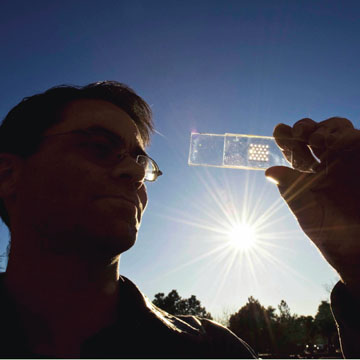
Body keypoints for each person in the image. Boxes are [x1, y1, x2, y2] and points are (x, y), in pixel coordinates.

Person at [0, 81, 358, 358]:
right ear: (8, 174)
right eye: (98, 147)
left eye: (141, 161)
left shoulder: (216, 352)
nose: (133, 171)